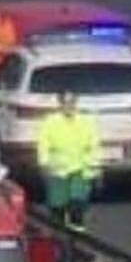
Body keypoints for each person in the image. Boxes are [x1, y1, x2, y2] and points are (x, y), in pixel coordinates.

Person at [36, 90, 100, 232]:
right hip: (58, 171)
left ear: (76, 102)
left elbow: (94, 144)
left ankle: (77, 237)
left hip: (80, 170)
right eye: (65, 103)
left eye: (72, 102)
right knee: (57, 208)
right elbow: (43, 144)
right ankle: (59, 241)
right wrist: (44, 162)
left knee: (77, 205)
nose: (69, 106)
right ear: (60, 104)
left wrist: (96, 166)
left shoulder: (86, 121)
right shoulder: (50, 122)